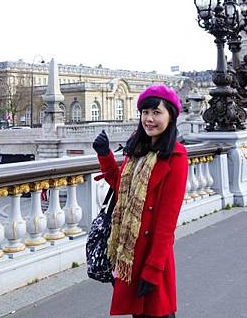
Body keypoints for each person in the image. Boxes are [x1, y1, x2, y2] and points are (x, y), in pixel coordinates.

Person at [92, 85, 188, 318]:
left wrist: (153, 270)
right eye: (145, 112)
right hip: (129, 253)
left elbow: (167, 223)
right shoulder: (137, 150)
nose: (149, 119)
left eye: (157, 112)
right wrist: (104, 155)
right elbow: (121, 188)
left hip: (151, 257)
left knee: (158, 314)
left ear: (171, 117)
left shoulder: (175, 157)